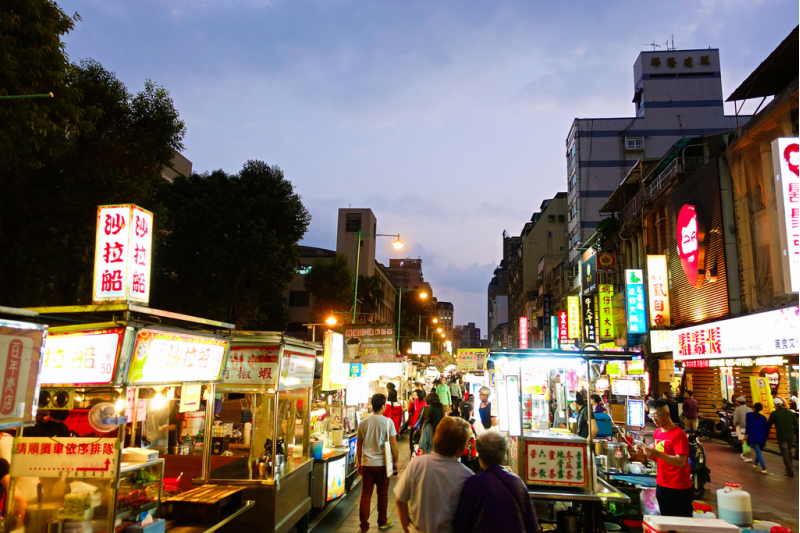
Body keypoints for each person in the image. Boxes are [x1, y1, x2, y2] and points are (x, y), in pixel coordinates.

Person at [394, 417, 474, 533]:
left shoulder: (417, 464)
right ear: (460, 447)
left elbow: (400, 500)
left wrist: (407, 528)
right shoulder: (467, 476)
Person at [453, 430, 539, 533]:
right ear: (503, 457)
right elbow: (532, 526)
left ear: (480, 457)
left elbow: (461, 525)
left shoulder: (473, 483)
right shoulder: (518, 483)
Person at [636, 399, 692, 517]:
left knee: (681, 523)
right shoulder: (657, 433)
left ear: (668, 414)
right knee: (666, 520)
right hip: (662, 484)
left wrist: (657, 453)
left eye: (657, 415)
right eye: (651, 416)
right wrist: (647, 453)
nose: (654, 419)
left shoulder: (679, 434)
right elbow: (660, 458)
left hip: (678, 487)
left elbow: (681, 462)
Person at [357, 394, 399, 532]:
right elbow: (393, 444)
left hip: (367, 463)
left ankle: (364, 525)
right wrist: (396, 461)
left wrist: (359, 462)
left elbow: (359, 444)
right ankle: (382, 521)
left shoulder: (363, 422)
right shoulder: (388, 422)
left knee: (366, 494)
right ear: (382, 406)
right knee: (382, 494)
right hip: (383, 464)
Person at [767, 397, 797, 477]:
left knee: (785, 455)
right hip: (791, 436)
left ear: (775, 405)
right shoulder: (790, 413)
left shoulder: (774, 414)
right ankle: (788, 469)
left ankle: (790, 472)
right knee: (789, 453)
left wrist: (765, 435)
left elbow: (768, 425)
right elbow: (796, 426)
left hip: (781, 436)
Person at [745, 402, 769, 475]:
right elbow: (767, 428)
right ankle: (755, 464)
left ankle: (764, 468)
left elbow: (748, 426)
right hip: (762, 436)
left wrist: (746, 434)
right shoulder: (763, 418)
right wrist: (766, 436)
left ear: (753, 407)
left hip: (753, 436)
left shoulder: (748, 415)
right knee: (758, 451)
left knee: (758, 452)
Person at [459, 402, 479, 470]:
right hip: (473, 456)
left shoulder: (456, 422)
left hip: (459, 455)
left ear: (459, 410)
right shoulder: (477, 423)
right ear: (472, 411)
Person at [732, 396, 753, 462]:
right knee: (748, 442)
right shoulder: (749, 409)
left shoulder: (738, 409)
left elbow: (736, 420)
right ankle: (744, 455)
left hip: (741, 428)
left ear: (738, 402)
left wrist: (735, 424)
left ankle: (748, 457)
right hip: (749, 427)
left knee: (744, 443)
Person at [407, 390, 427, 454]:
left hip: (418, 426)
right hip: (413, 425)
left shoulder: (423, 403)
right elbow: (409, 411)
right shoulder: (415, 402)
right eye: (414, 394)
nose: (414, 396)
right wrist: (411, 402)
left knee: (416, 443)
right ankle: (412, 455)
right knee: (411, 443)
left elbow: (417, 410)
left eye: (415, 395)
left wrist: (416, 400)